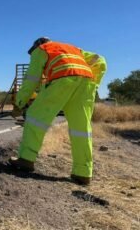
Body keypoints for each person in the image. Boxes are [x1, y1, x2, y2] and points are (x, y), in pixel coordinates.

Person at [10, 37, 107, 185]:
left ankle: (26, 159)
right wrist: (95, 83)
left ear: (37, 45)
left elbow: (31, 78)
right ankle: (83, 173)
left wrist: (19, 103)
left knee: (36, 117)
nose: (32, 55)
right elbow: (100, 60)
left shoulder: (42, 50)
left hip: (62, 79)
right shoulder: (73, 49)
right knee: (81, 129)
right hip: (86, 84)